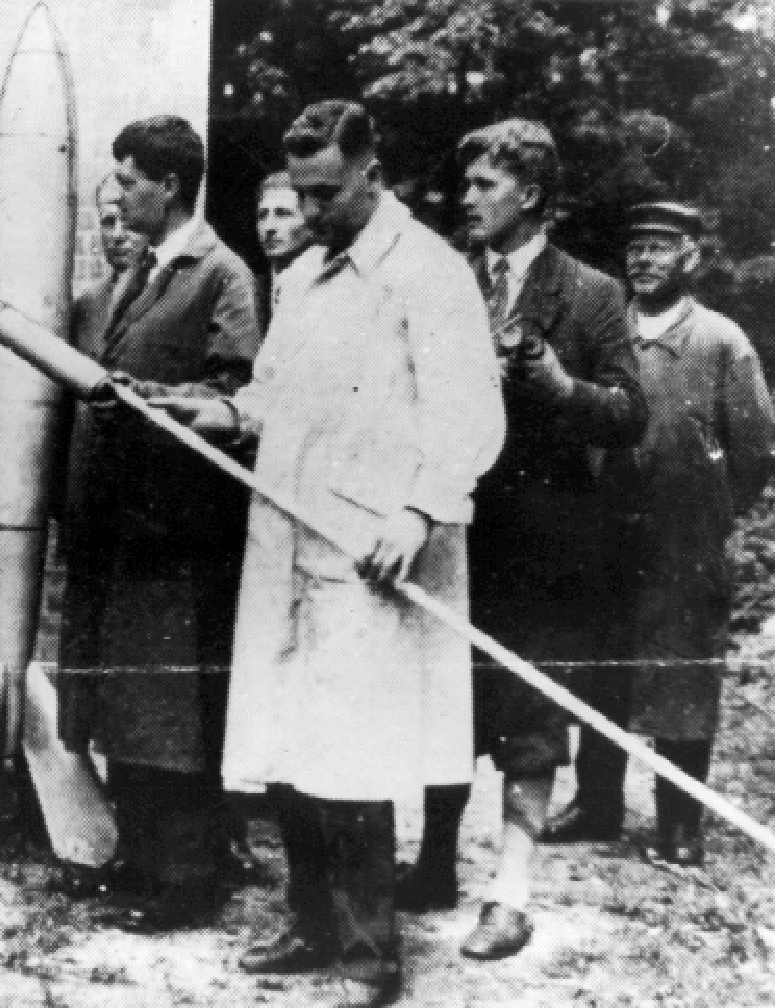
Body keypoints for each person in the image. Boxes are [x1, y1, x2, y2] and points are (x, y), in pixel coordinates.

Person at [157, 99, 504, 1007]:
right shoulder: (305, 275)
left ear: (370, 175)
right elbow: (272, 396)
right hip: (287, 534)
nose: (307, 213)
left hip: (371, 549)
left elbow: (470, 412)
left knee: (353, 751)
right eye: (299, 195)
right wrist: (220, 413)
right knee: (288, 738)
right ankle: (309, 924)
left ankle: (369, 954)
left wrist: (419, 511)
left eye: (324, 194)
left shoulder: (426, 272)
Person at [397, 119, 646, 961]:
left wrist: (561, 385)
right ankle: (433, 864)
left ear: (530, 195)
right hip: (457, 528)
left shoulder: (592, 293)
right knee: (446, 700)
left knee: (531, 718)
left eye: (483, 186)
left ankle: (509, 894)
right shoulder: (446, 280)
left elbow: (630, 413)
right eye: (466, 185)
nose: (466, 199)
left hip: (545, 544)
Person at [55, 115, 262, 933]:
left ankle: (189, 879)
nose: (120, 193)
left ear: (171, 185)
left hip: (179, 532)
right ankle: (141, 858)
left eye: (132, 180)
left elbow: (235, 393)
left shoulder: (221, 275)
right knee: (129, 701)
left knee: (175, 707)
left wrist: (163, 406)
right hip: (121, 524)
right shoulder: (140, 273)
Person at [551, 201, 775, 866]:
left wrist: (708, 515)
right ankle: (596, 804)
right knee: (600, 665)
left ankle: (680, 821)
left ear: (692, 258)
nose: (645, 259)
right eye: (637, 247)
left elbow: (756, 451)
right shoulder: (604, 332)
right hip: (604, 531)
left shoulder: (720, 341)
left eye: (662, 247)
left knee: (683, 672)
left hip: (684, 542)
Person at [254, 169, 313, 321]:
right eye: (262, 215)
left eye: (283, 214)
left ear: (310, 221)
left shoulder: (330, 288)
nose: (269, 227)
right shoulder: (249, 290)